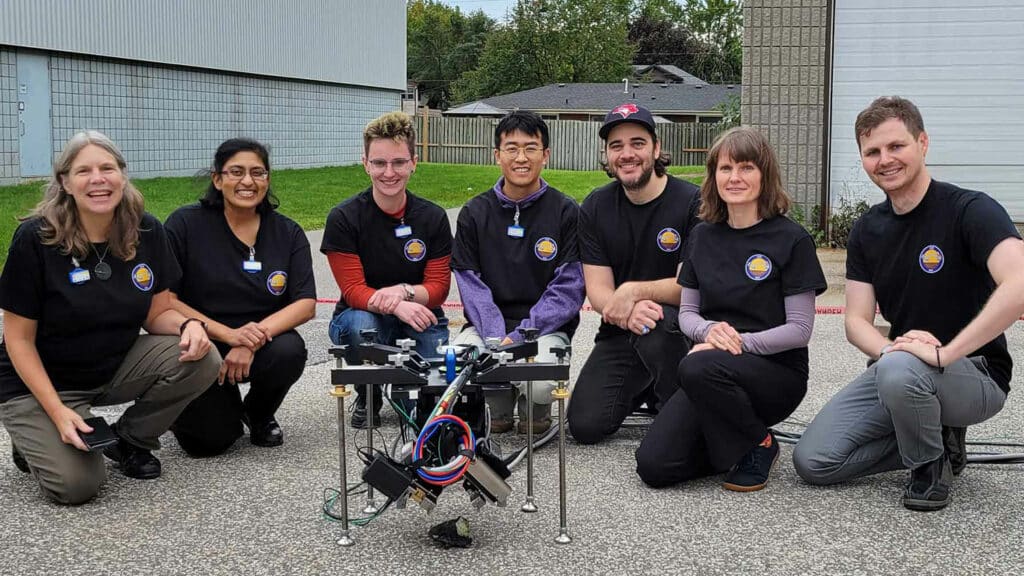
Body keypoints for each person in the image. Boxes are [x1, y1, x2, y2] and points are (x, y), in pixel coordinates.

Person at [793, 96, 1024, 511]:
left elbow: (1019, 282)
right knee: (814, 461)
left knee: (900, 369)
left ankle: (929, 466)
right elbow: (857, 321)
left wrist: (944, 353)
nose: (885, 159)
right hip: (902, 371)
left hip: (977, 373)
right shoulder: (867, 229)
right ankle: (939, 437)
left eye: (896, 146)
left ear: (922, 143)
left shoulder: (970, 209)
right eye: (873, 152)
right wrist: (890, 349)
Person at [0, 131, 220, 504]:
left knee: (202, 357)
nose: (98, 179)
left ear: (122, 175)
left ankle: (130, 440)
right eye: (83, 171)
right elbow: (18, 340)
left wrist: (189, 325)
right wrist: (57, 412)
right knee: (77, 486)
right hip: (39, 382)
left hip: (109, 366)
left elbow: (158, 312)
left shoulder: (145, 228)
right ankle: (33, 437)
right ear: (65, 182)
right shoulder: (36, 238)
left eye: (107, 168)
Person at [635, 127, 826, 491]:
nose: (734, 178)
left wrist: (735, 342)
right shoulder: (703, 236)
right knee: (654, 466)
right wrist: (708, 332)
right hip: (709, 371)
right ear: (713, 176)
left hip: (774, 373)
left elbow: (800, 330)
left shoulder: (792, 240)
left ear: (764, 175)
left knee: (696, 364)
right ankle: (736, 447)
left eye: (746, 168)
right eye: (725, 169)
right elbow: (688, 313)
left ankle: (760, 443)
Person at [164, 139, 316, 456]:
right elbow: (167, 300)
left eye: (257, 172)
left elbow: (305, 304)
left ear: (268, 179)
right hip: (202, 342)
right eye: (236, 172)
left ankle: (258, 412)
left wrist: (249, 340)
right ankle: (199, 403)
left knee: (289, 349)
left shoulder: (287, 233)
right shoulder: (185, 225)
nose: (248, 181)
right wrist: (227, 335)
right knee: (208, 443)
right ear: (217, 179)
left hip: (260, 341)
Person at [568, 103, 701, 445]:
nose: (627, 154)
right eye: (617, 146)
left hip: (677, 333)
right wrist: (627, 310)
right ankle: (648, 387)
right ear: (607, 156)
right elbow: (599, 292)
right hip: (622, 331)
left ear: (656, 149)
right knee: (585, 426)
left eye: (637, 143)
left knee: (657, 323)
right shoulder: (595, 206)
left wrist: (633, 292)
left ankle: (683, 411)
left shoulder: (692, 202)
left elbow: (691, 288)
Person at [451, 111, 585, 434]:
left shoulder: (567, 212)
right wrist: (498, 338)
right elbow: (471, 285)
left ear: (546, 155)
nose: (521, 158)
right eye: (511, 148)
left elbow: (568, 288)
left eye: (531, 148)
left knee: (538, 382)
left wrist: (523, 335)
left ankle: (533, 409)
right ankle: (497, 406)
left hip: (543, 329)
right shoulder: (473, 213)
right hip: (488, 328)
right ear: (497, 155)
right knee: (454, 363)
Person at [322, 112, 451, 428]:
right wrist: (398, 305)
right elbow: (353, 290)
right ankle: (368, 391)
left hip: (420, 313)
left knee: (423, 412)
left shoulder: (432, 218)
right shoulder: (343, 218)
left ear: (413, 163)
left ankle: (409, 392)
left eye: (398, 162)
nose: (389, 172)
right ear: (365, 163)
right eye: (379, 163)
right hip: (363, 313)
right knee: (359, 329)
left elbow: (438, 287)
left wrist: (405, 292)